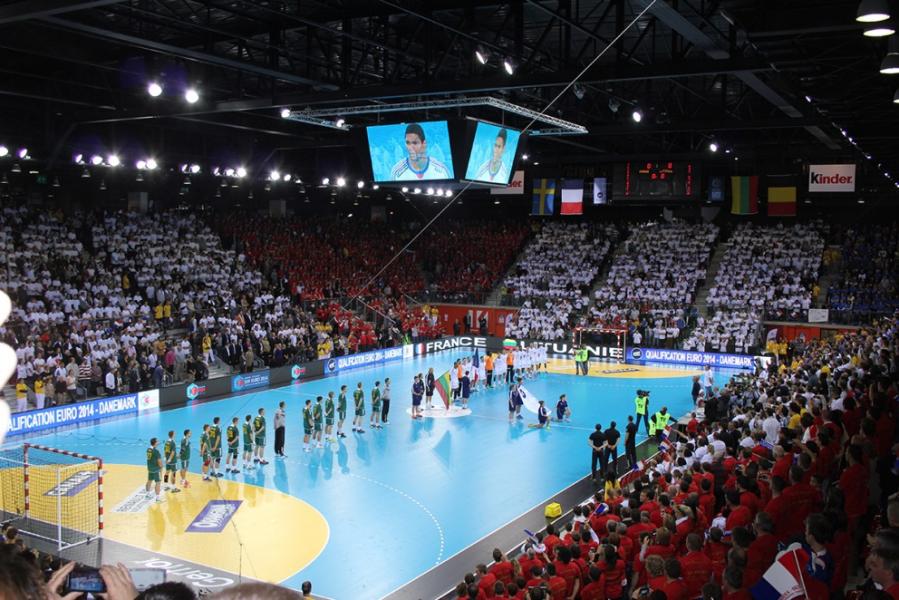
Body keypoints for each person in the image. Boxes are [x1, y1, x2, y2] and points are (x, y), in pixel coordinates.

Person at [146, 437, 164, 502]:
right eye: (157, 441)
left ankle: (147, 494)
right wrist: (162, 466)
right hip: (156, 469)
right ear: (155, 443)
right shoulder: (156, 451)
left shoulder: (148, 449)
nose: (158, 442)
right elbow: (159, 462)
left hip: (150, 468)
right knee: (158, 482)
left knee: (149, 481)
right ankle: (158, 498)